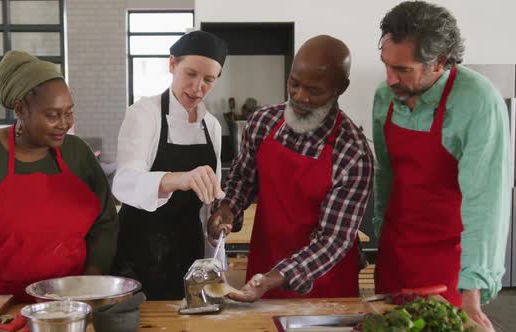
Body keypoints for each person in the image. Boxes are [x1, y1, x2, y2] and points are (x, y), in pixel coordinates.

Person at [0, 50, 119, 302]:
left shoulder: (78, 155)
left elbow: (105, 222)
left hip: (64, 305)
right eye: (52, 115)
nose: (65, 123)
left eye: (69, 112)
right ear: (20, 109)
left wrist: (90, 285)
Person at [372, 1, 511, 329]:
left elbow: (485, 202)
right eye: (386, 65)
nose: (389, 79)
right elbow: (385, 176)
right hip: (395, 254)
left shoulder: (477, 101)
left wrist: (472, 293)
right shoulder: (384, 97)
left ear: (441, 63)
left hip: (449, 266)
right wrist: (381, 238)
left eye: (403, 70)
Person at [208, 35, 374, 302]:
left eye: (315, 91)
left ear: (341, 87)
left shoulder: (352, 154)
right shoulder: (263, 122)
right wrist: (228, 208)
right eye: (294, 84)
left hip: (324, 284)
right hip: (263, 267)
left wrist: (275, 277)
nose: (300, 97)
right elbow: (242, 180)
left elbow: (333, 240)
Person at [112, 30, 227, 300]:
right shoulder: (143, 114)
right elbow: (125, 182)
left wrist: (215, 222)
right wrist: (180, 179)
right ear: (172, 64)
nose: (198, 87)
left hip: (189, 255)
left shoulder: (211, 126)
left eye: (208, 79)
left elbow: (211, 196)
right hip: (139, 252)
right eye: (191, 74)